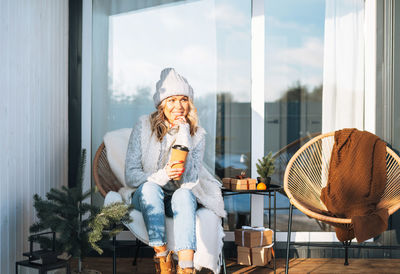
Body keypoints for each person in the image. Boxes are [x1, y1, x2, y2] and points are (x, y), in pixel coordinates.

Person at [125, 68, 226, 274]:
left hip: (177, 198)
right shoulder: (144, 126)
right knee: (150, 189)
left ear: (190, 103)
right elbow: (131, 174)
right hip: (146, 196)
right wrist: (163, 175)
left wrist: (184, 134)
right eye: (171, 100)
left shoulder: (197, 135)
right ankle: (163, 260)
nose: (178, 106)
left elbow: (190, 179)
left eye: (183, 99)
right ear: (162, 104)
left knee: (184, 193)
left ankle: (186, 268)